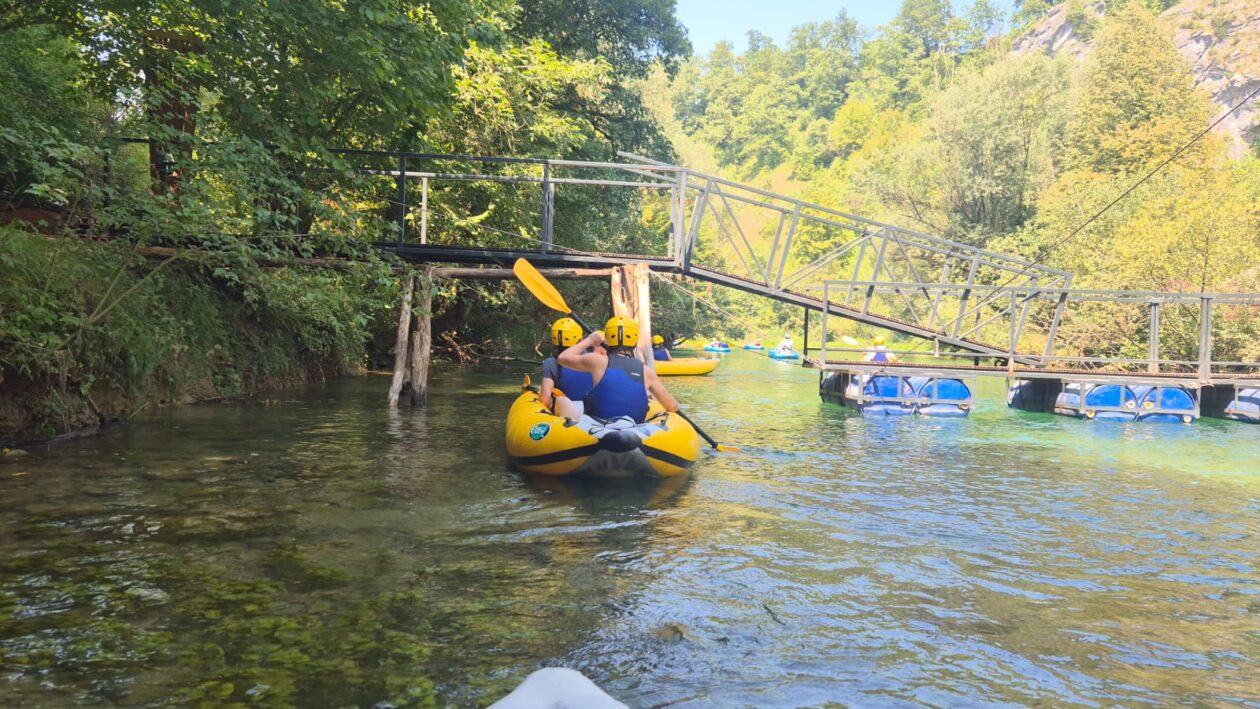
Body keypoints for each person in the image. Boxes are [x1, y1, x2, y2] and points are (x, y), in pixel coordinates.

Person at [559, 316, 679, 422]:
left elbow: (562, 358)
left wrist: (589, 340)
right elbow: (672, 406)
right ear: (634, 340)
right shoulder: (646, 371)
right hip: (635, 429)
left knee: (561, 401)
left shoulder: (597, 360)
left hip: (598, 426)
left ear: (607, 339)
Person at [539, 317, 592, 420]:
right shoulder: (595, 359)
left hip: (567, 413)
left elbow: (545, 400)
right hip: (593, 412)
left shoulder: (550, 363)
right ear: (580, 340)